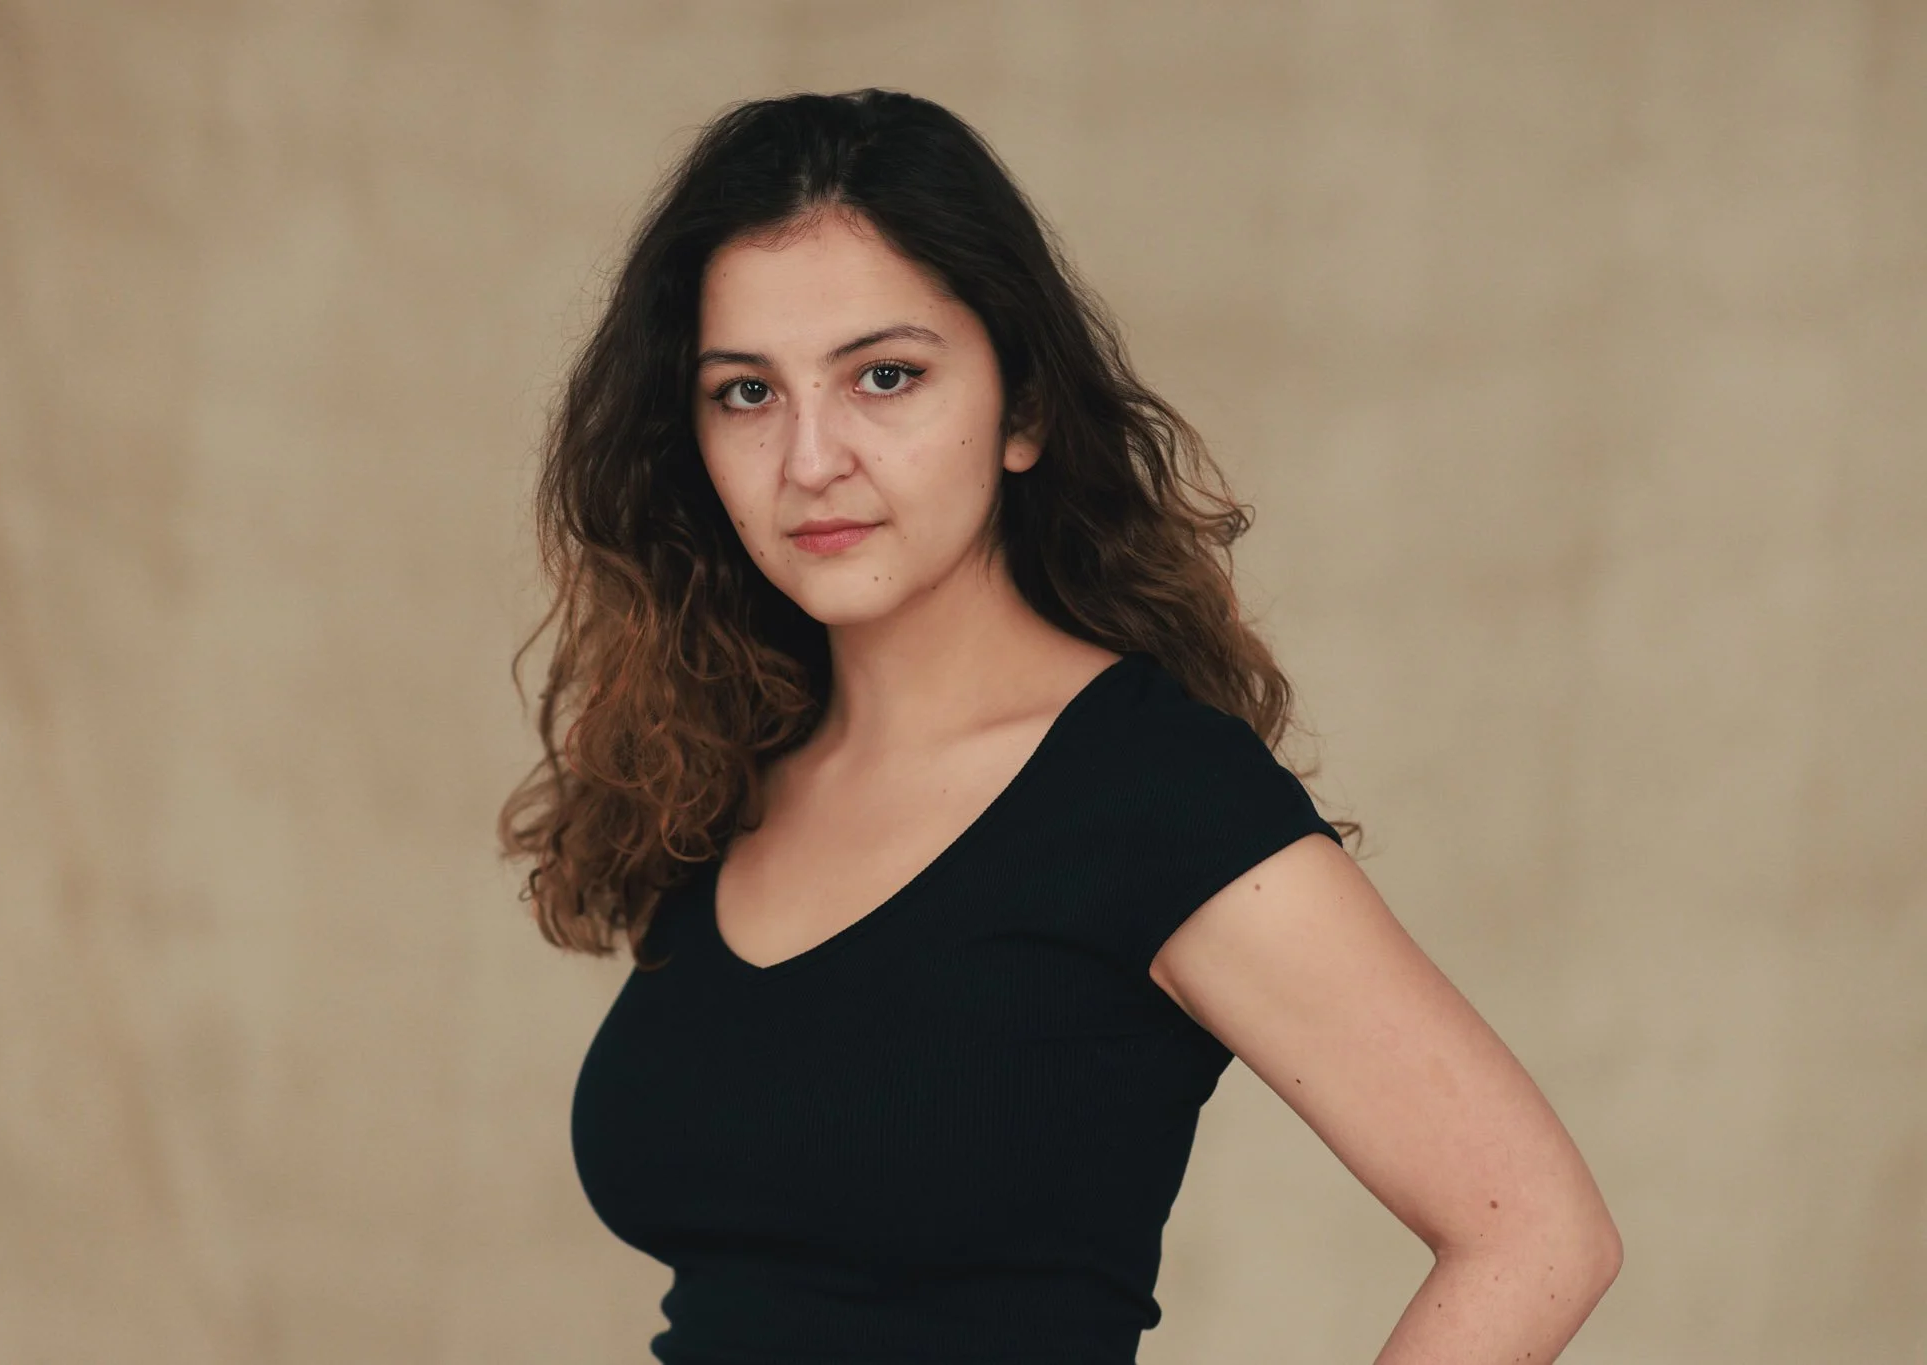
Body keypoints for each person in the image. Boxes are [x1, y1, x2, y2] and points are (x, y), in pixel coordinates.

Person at [501, 88, 1621, 1364]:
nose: (809, 458)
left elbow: (1536, 1233)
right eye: (746, 393)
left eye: (884, 377)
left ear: (1023, 409)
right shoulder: (725, 767)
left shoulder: (1151, 793)